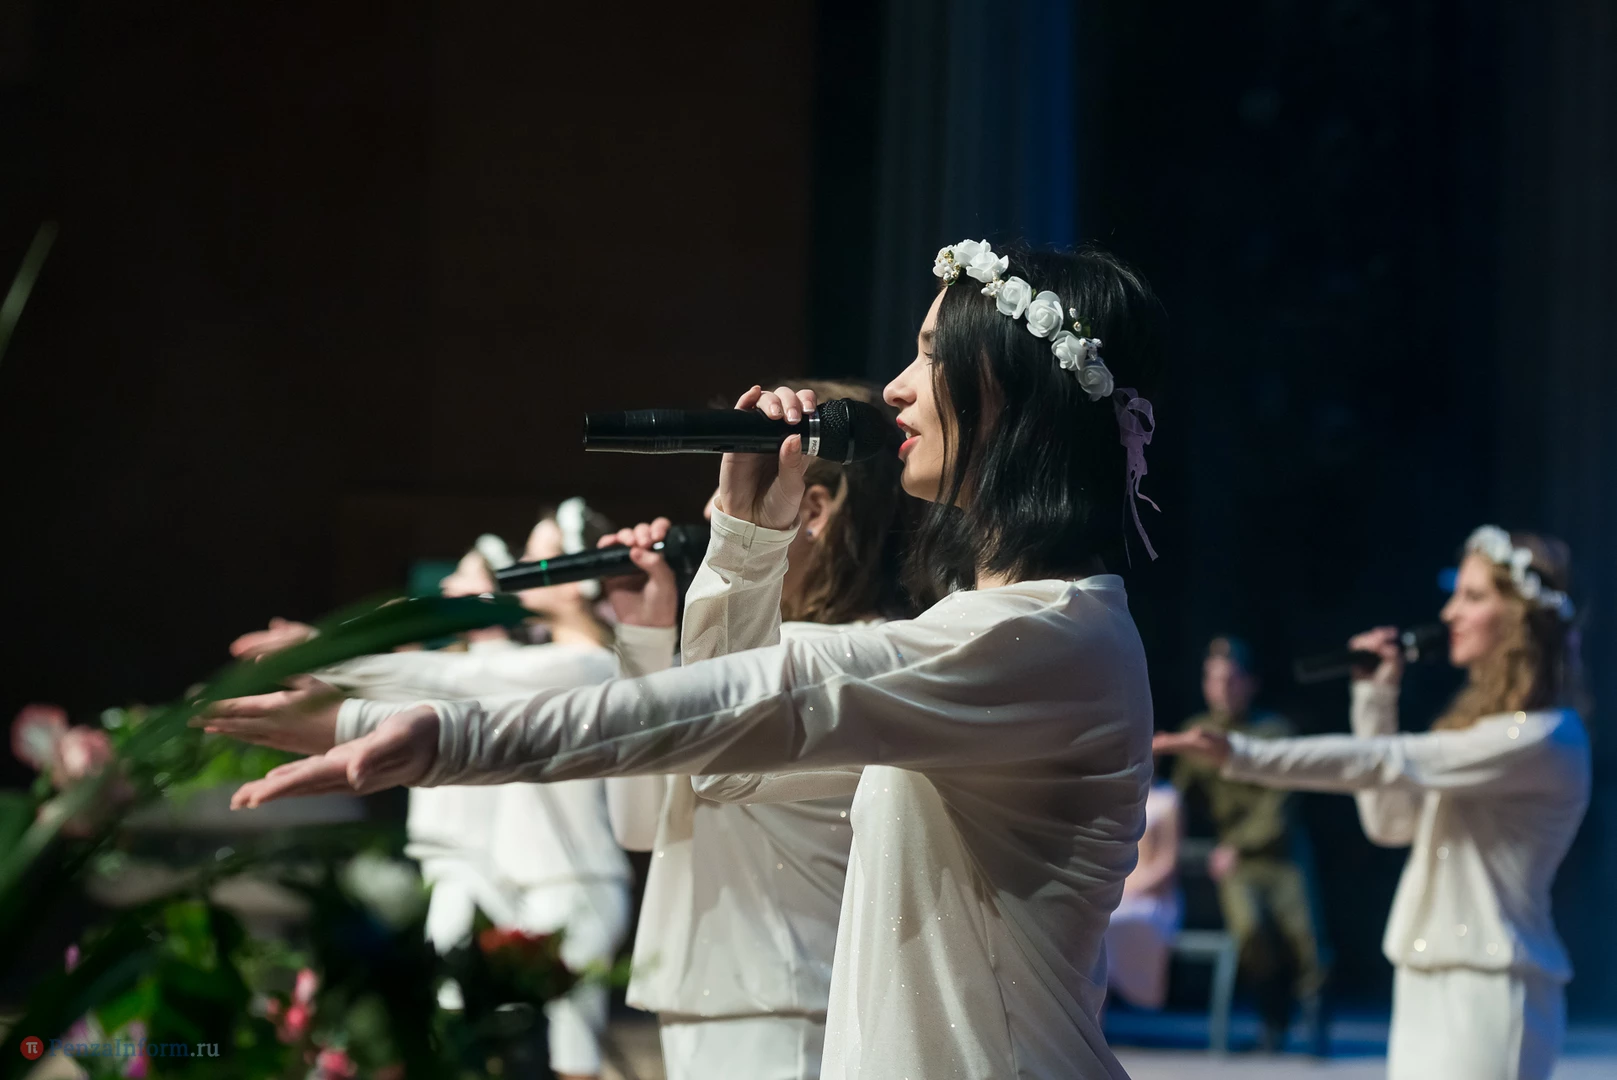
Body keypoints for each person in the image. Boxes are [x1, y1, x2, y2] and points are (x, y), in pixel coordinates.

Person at [215, 239, 1168, 1079]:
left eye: (929, 354)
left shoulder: (1047, 640)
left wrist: (426, 733)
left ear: (1009, 389)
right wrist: (745, 538)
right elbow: (727, 763)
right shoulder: (1005, 629)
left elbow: (759, 694)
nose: (894, 388)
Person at [1154, 527, 1590, 1080]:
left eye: (1473, 596)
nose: (1450, 612)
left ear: (1522, 618)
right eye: (1456, 593)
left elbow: (1387, 761)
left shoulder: (1544, 739)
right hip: (1425, 972)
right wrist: (1376, 697)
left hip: (1491, 984)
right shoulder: (1477, 734)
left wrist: (1241, 754)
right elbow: (1391, 822)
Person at [223, 504, 630, 1080]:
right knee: (516, 1040)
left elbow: (454, 679)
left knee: (569, 1052)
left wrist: (331, 655)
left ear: (582, 581)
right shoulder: (555, 662)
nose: (524, 567)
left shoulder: (586, 666)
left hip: (577, 883)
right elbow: (448, 681)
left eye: (543, 557)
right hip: (534, 885)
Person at [600, 377, 911, 1080]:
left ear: (811, 509)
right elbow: (638, 825)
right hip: (708, 994)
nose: (709, 515)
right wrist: (642, 639)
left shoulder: (850, 659)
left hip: (787, 999)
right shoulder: (751, 662)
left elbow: (714, 757)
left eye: (737, 492)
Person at [1172, 635, 1327, 1049]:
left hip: (1280, 854)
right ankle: (1272, 1022)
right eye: (1213, 678)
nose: (1222, 688)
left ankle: (1315, 1024)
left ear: (1250, 683)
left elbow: (1280, 803)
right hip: (1236, 861)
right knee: (1250, 934)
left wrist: (1236, 844)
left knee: (1305, 940)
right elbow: (1180, 798)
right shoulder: (1197, 734)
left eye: (1231, 679)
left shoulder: (1273, 732)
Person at [1102, 777, 1182, 1010]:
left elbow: (1168, 863)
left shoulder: (1167, 800)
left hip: (1151, 899)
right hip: (1115, 895)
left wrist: (1132, 889)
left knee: (1107, 926)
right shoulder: (1110, 794)